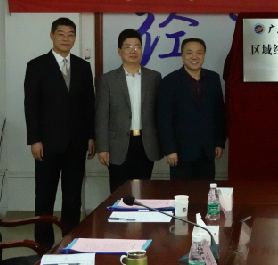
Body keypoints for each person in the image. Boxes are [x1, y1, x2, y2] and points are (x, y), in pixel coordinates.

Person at [24, 17, 95, 251]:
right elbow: (31, 106)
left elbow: (89, 105)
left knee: (72, 198)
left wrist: (91, 136)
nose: (66, 38)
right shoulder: (37, 65)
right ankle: (42, 246)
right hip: (47, 144)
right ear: (52, 35)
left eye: (70, 34)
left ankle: (70, 242)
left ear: (75, 38)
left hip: (76, 143)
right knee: (44, 198)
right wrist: (34, 139)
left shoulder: (83, 67)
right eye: (61, 34)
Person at [95, 29, 162, 193]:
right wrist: (102, 147)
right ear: (120, 51)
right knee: (119, 192)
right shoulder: (107, 79)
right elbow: (101, 116)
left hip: (146, 143)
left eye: (137, 46)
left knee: (143, 191)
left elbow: (160, 112)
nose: (133, 51)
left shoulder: (154, 77)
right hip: (117, 145)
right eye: (128, 47)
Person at [157, 38, 226, 180]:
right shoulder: (170, 81)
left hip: (207, 151)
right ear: (182, 56)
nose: (194, 57)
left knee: (205, 191)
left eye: (199, 52)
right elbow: (164, 119)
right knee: (181, 192)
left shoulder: (213, 78)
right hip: (180, 153)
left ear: (204, 56)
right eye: (189, 53)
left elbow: (219, 113)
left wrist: (219, 142)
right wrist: (170, 150)